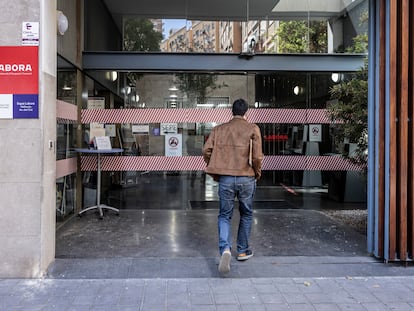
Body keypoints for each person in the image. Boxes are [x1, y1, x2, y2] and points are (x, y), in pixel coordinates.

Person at [202, 98, 263, 274]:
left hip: (226, 179)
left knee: (224, 216)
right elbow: (257, 157)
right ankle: (243, 250)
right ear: (246, 112)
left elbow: (206, 151)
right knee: (246, 214)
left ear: (232, 111)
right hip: (247, 177)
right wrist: (256, 172)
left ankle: (225, 249)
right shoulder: (253, 129)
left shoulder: (219, 129)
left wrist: (216, 166)